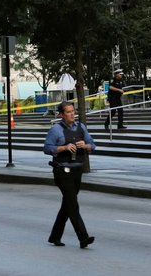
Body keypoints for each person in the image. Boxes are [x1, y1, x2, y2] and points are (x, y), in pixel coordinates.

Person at [43, 101, 96, 249]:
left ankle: (55, 236)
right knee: (73, 204)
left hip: (77, 171)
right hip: (62, 171)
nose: (72, 114)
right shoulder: (56, 130)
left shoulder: (81, 127)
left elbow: (93, 144)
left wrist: (85, 145)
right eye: (68, 112)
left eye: (73, 111)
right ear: (61, 114)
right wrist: (64, 147)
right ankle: (83, 238)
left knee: (67, 205)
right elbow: (47, 148)